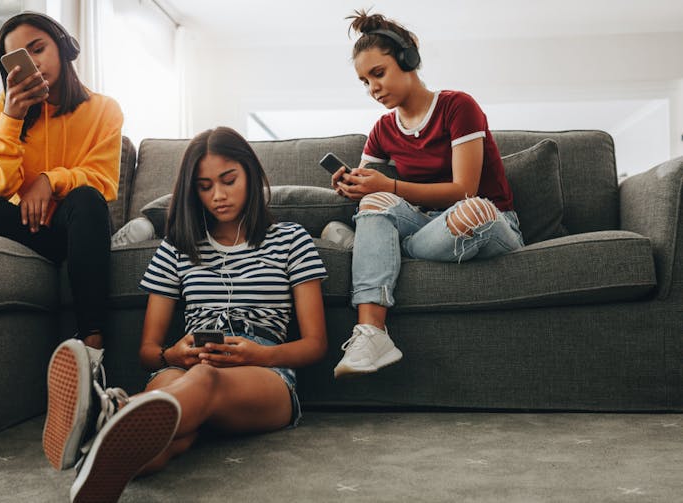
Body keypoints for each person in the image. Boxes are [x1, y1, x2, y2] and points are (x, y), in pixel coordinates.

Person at [42, 127, 328, 502]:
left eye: (229, 180)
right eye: (205, 186)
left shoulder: (291, 239)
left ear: (251, 174)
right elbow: (149, 352)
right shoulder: (178, 247)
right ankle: (95, 467)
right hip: (187, 366)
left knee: (203, 380)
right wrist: (173, 354)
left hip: (266, 372)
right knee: (165, 435)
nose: (219, 196)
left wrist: (259, 354)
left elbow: (315, 344)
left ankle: (103, 413)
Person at [331, 11, 524, 378]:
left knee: (474, 210)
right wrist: (352, 186)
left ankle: (373, 250)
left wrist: (386, 187)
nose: (373, 88)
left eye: (378, 73)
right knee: (372, 203)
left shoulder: (457, 106)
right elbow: (372, 195)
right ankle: (372, 333)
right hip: (428, 226)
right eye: (364, 81)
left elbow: (463, 189)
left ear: (408, 59)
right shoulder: (383, 129)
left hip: (487, 222)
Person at [0, 12, 123, 352]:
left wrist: (50, 180)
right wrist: (12, 119)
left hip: (80, 228)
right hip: (30, 230)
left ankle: (92, 343)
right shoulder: (0, 111)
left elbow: (103, 180)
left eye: (38, 49)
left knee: (86, 198)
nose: (32, 65)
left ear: (62, 47)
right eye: (19, 59)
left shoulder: (104, 110)